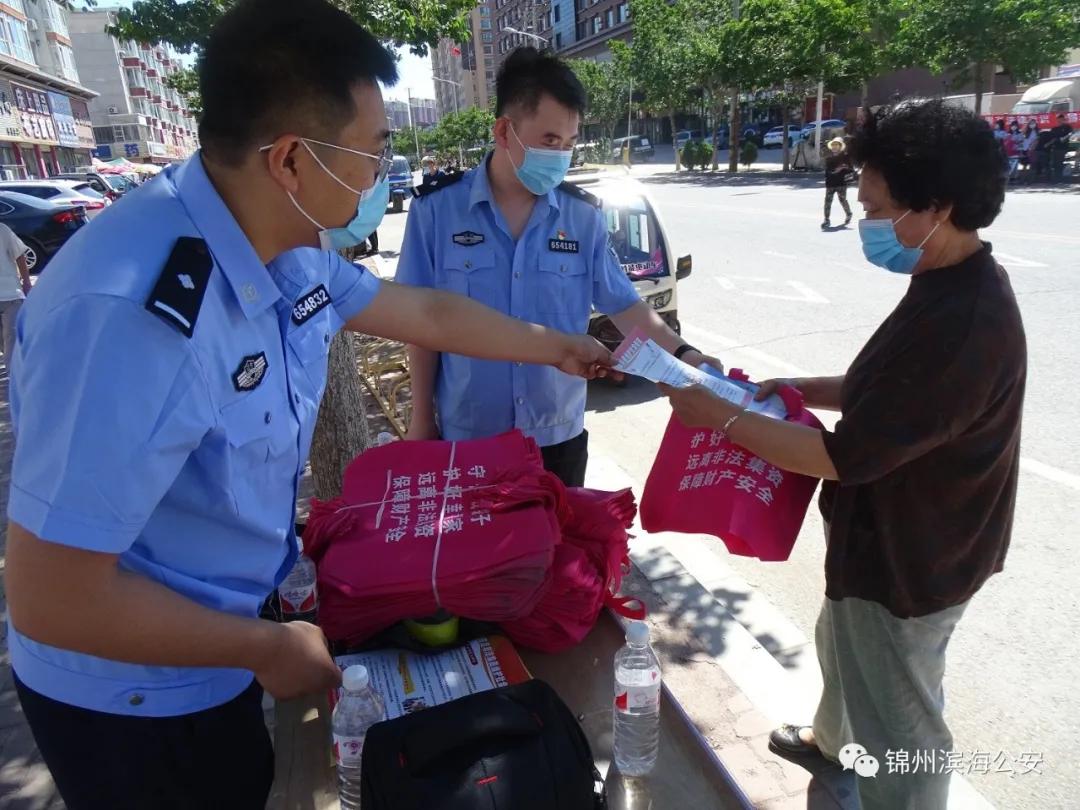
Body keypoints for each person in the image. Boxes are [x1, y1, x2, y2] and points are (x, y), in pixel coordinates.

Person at [3, 3, 614, 808]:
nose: (378, 175)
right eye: (370, 152)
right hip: (131, 703)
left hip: (214, 645)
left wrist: (557, 344)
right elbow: (54, 598)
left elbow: (423, 314)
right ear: (292, 159)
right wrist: (265, 647)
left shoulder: (284, 244)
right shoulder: (131, 318)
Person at [660, 100, 1026, 810]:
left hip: (911, 561)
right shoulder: (946, 279)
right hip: (882, 544)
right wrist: (798, 387)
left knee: (902, 723)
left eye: (879, 206)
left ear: (937, 207)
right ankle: (832, 745)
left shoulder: (964, 321)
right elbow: (884, 390)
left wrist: (724, 418)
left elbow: (842, 457)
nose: (867, 220)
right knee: (847, 650)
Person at [396, 47, 722, 487]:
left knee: (560, 552)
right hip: (469, 435)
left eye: (569, 144)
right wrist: (421, 420)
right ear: (503, 131)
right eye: (550, 141)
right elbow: (420, 324)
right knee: (478, 556)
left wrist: (685, 355)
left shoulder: (582, 217)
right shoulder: (437, 212)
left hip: (557, 436)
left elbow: (625, 305)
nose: (561, 155)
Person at [0, 221, 31, 367]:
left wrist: (26, 282)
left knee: (12, 341)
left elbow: (19, 254)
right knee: (4, 344)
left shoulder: (2, 230)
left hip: (11, 295)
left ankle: (16, 380)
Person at [822, 137, 853, 229]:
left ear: (840, 146)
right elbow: (828, 171)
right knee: (828, 202)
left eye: (836, 145)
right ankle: (826, 220)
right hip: (830, 183)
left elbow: (851, 170)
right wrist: (836, 171)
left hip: (841, 183)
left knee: (843, 200)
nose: (834, 147)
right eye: (833, 145)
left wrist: (845, 168)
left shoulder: (845, 157)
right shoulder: (829, 158)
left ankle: (849, 214)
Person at [1047, 113, 1073, 183]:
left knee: (1060, 163)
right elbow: (1052, 137)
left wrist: (1063, 138)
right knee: (1055, 164)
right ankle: (1056, 179)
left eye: (1062, 119)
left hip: (1063, 148)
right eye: (1059, 119)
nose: (1060, 120)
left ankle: (1060, 179)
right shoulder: (1054, 128)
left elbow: (1070, 134)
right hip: (1055, 148)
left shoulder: (1067, 127)